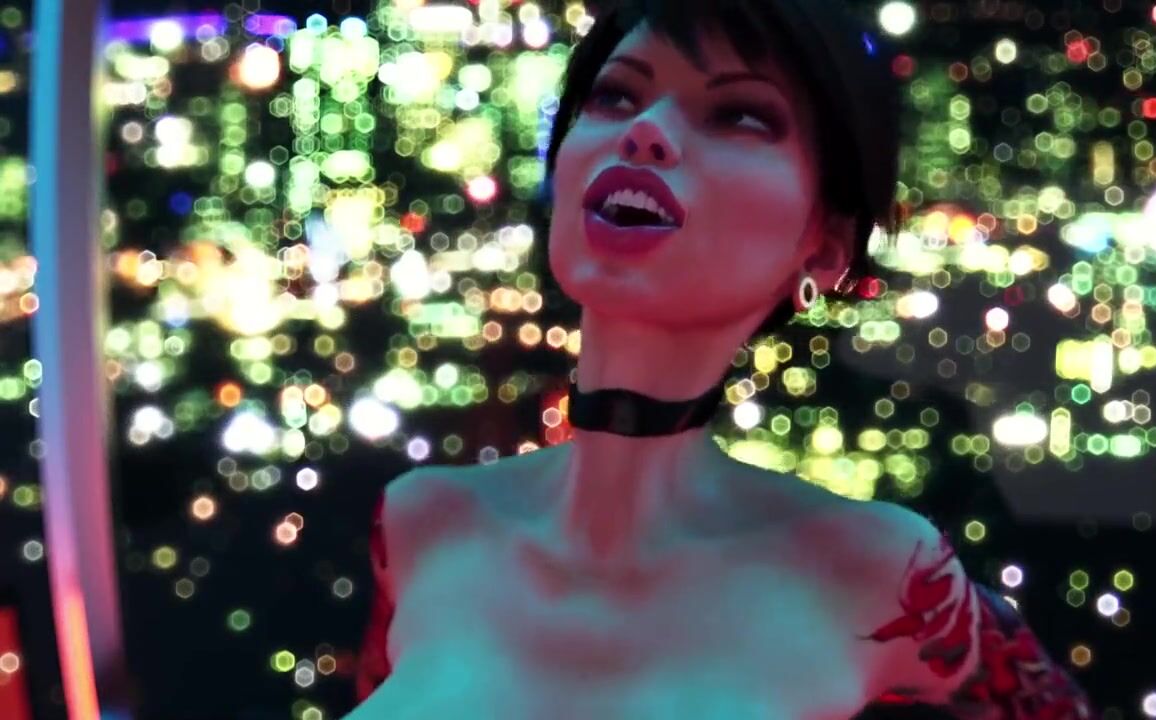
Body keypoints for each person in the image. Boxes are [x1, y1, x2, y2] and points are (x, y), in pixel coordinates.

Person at [347, 0, 1096, 717]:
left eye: (740, 115)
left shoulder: (878, 573)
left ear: (825, 250)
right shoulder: (421, 524)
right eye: (614, 96)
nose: (645, 131)